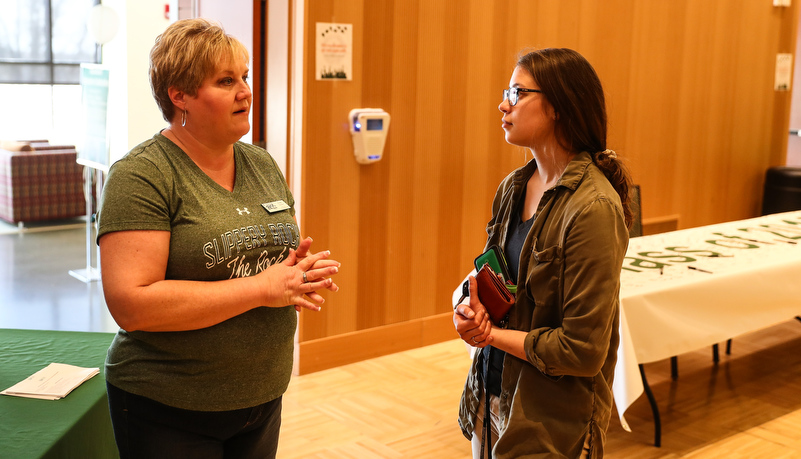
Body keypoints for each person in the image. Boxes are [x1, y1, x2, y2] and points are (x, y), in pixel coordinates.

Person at [96, 18, 340, 459]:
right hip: (169, 406)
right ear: (180, 95)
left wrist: (297, 275)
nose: (245, 90)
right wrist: (262, 288)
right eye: (226, 81)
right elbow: (131, 304)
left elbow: (266, 263)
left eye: (244, 76)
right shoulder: (142, 175)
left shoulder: (262, 164)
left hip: (261, 396)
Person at [453, 48, 633, 458]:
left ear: (557, 106)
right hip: (492, 395)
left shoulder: (592, 209)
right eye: (507, 91)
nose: (503, 103)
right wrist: (467, 308)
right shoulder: (513, 186)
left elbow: (583, 351)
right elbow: (491, 280)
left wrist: (490, 336)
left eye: (517, 93)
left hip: (550, 423)